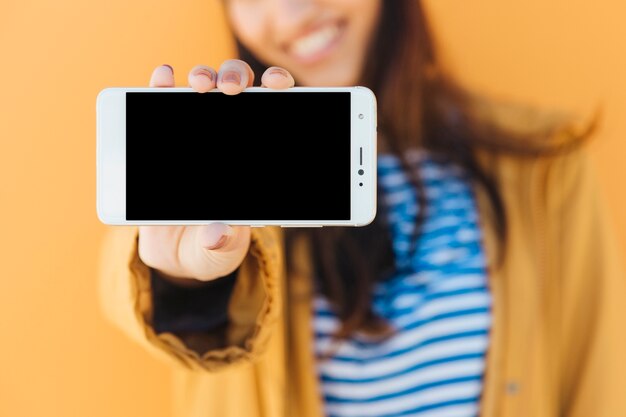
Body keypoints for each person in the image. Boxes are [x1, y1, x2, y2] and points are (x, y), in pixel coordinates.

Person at [97, 1, 626, 416]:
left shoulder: (545, 168)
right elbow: (139, 291)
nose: (291, 14)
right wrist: (187, 277)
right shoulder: (236, 200)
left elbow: (598, 389)